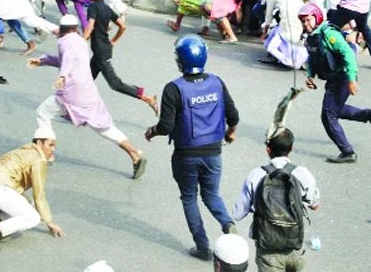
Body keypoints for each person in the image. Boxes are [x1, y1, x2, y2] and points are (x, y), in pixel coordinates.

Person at [144, 35, 239, 261]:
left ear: (180, 61)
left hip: (186, 154)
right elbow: (233, 116)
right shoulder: (217, 82)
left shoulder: (173, 88)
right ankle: (228, 224)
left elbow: (166, 126)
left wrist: (152, 131)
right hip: (214, 152)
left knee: (189, 198)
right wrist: (229, 133)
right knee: (211, 194)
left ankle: (202, 246)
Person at [29, 14, 147, 178]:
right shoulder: (81, 42)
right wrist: (43, 61)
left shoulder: (63, 42)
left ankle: (48, 152)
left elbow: (67, 60)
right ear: (76, 28)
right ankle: (135, 154)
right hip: (89, 93)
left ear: (62, 30)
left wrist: (62, 76)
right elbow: (68, 60)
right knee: (105, 128)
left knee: (43, 113)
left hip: (71, 93)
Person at [299, 4, 371, 163]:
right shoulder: (312, 37)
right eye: (302, 22)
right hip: (333, 78)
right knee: (335, 109)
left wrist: (351, 80)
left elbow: (348, 54)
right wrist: (310, 75)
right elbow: (313, 57)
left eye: (308, 20)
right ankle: (369, 115)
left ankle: (347, 151)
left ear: (317, 18)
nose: (305, 24)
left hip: (343, 77)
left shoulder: (329, 34)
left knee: (328, 114)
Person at [232, 128, 319, 271]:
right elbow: (315, 205)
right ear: (291, 148)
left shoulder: (256, 175)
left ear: (268, 149)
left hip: (267, 250)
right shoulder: (303, 174)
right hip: (294, 247)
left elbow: (238, 213)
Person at [0, 126, 64, 253]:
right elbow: (39, 194)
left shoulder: (25, 150)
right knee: (33, 218)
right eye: (50, 145)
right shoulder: (38, 159)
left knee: (27, 203)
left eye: (54, 146)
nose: (53, 149)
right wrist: (49, 221)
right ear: (39, 143)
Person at [82, 0, 158, 114]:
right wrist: (114, 41)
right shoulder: (106, 8)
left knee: (115, 84)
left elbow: (90, 26)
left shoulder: (93, 7)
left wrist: (80, 41)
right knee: (85, 80)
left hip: (101, 52)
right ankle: (79, 108)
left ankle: (147, 98)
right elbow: (122, 26)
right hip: (103, 49)